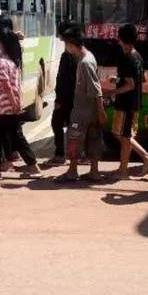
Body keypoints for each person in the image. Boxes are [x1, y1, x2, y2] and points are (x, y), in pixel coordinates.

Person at [0, 28, 39, 178]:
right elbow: (15, 86)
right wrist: (17, 103)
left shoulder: (1, 62)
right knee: (16, 136)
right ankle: (32, 165)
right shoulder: (13, 61)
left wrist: (13, 102)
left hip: (2, 107)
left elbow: (6, 85)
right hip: (11, 106)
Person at [108, 23, 148, 178]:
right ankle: (145, 159)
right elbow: (141, 79)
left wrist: (112, 91)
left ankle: (126, 169)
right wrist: (118, 79)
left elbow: (131, 84)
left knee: (124, 137)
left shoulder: (125, 57)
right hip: (134, 102)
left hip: (126, 103)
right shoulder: (137, 56)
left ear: (120, 38)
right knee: (123, 135)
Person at [58, 25, 107, 182]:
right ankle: (94, 172)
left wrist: (100, 112)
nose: (65, 47)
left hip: (83, 111)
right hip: (88, 110)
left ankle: (72, 171)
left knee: (73, 139)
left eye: (66, 44)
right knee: (93, 139)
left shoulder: (85, 62)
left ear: (72, 44)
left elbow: (96, 89)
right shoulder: (87, 58)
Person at [49, 21, 77, 166]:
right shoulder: (78, 54)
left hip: (66, 98)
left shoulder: (68, 56)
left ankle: (61, 154)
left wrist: (59, 99)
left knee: (57, 123)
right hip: (74, 98)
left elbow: (63, 80)